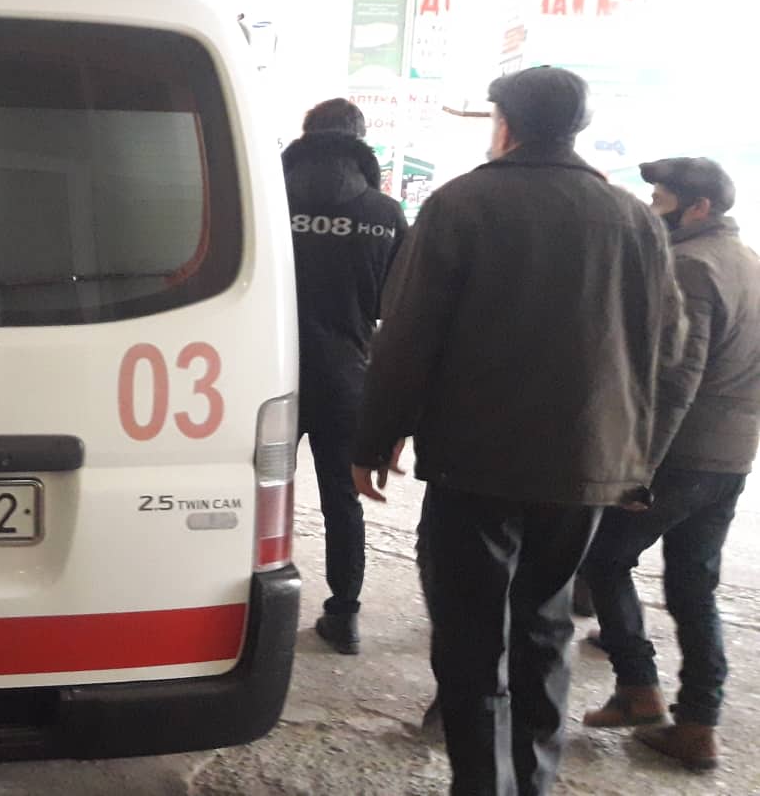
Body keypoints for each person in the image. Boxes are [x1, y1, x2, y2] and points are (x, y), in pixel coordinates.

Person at [352, 66, 691, 796]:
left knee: (471, 634)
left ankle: (482, 783)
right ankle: (531, 781)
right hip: (584, 465)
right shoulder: (633, 219)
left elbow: (406, 336)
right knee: (545, 624)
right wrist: (634, 454)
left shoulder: (461, 204)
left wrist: (375, 438)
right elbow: (668, 349)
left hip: (474, 461)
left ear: (504, 124)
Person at [581, 157, 757, 771]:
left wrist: (641, 467)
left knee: (603, 558)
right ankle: (698, 726)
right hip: (731, 459)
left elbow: (678, 376)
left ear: (699, 207)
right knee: (693, 586)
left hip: (682, 456)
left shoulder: (692, 265)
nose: (654, 208)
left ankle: (638, 687)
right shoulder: (749, 262)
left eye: (661, 199)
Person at [283, 97, 407, 654]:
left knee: (257, 495)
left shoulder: (268, 198)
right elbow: (394, 307)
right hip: (345, 377)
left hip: (268, 376)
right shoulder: (385, 214)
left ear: (308, 135)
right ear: (360, 143)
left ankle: (251, 605)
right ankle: (344, 615)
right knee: (342, 498)